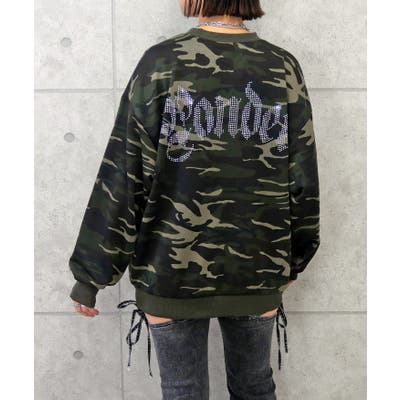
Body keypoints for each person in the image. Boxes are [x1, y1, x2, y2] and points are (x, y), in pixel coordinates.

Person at [68, 0, 320, 398]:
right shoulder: (282, 66)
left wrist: (90, 275)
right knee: (254, 386)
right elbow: (302, 177)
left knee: (183, 390)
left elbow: (125, 174)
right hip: (257, 265)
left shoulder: (161, 63)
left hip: (169, 269)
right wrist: (295, 258)